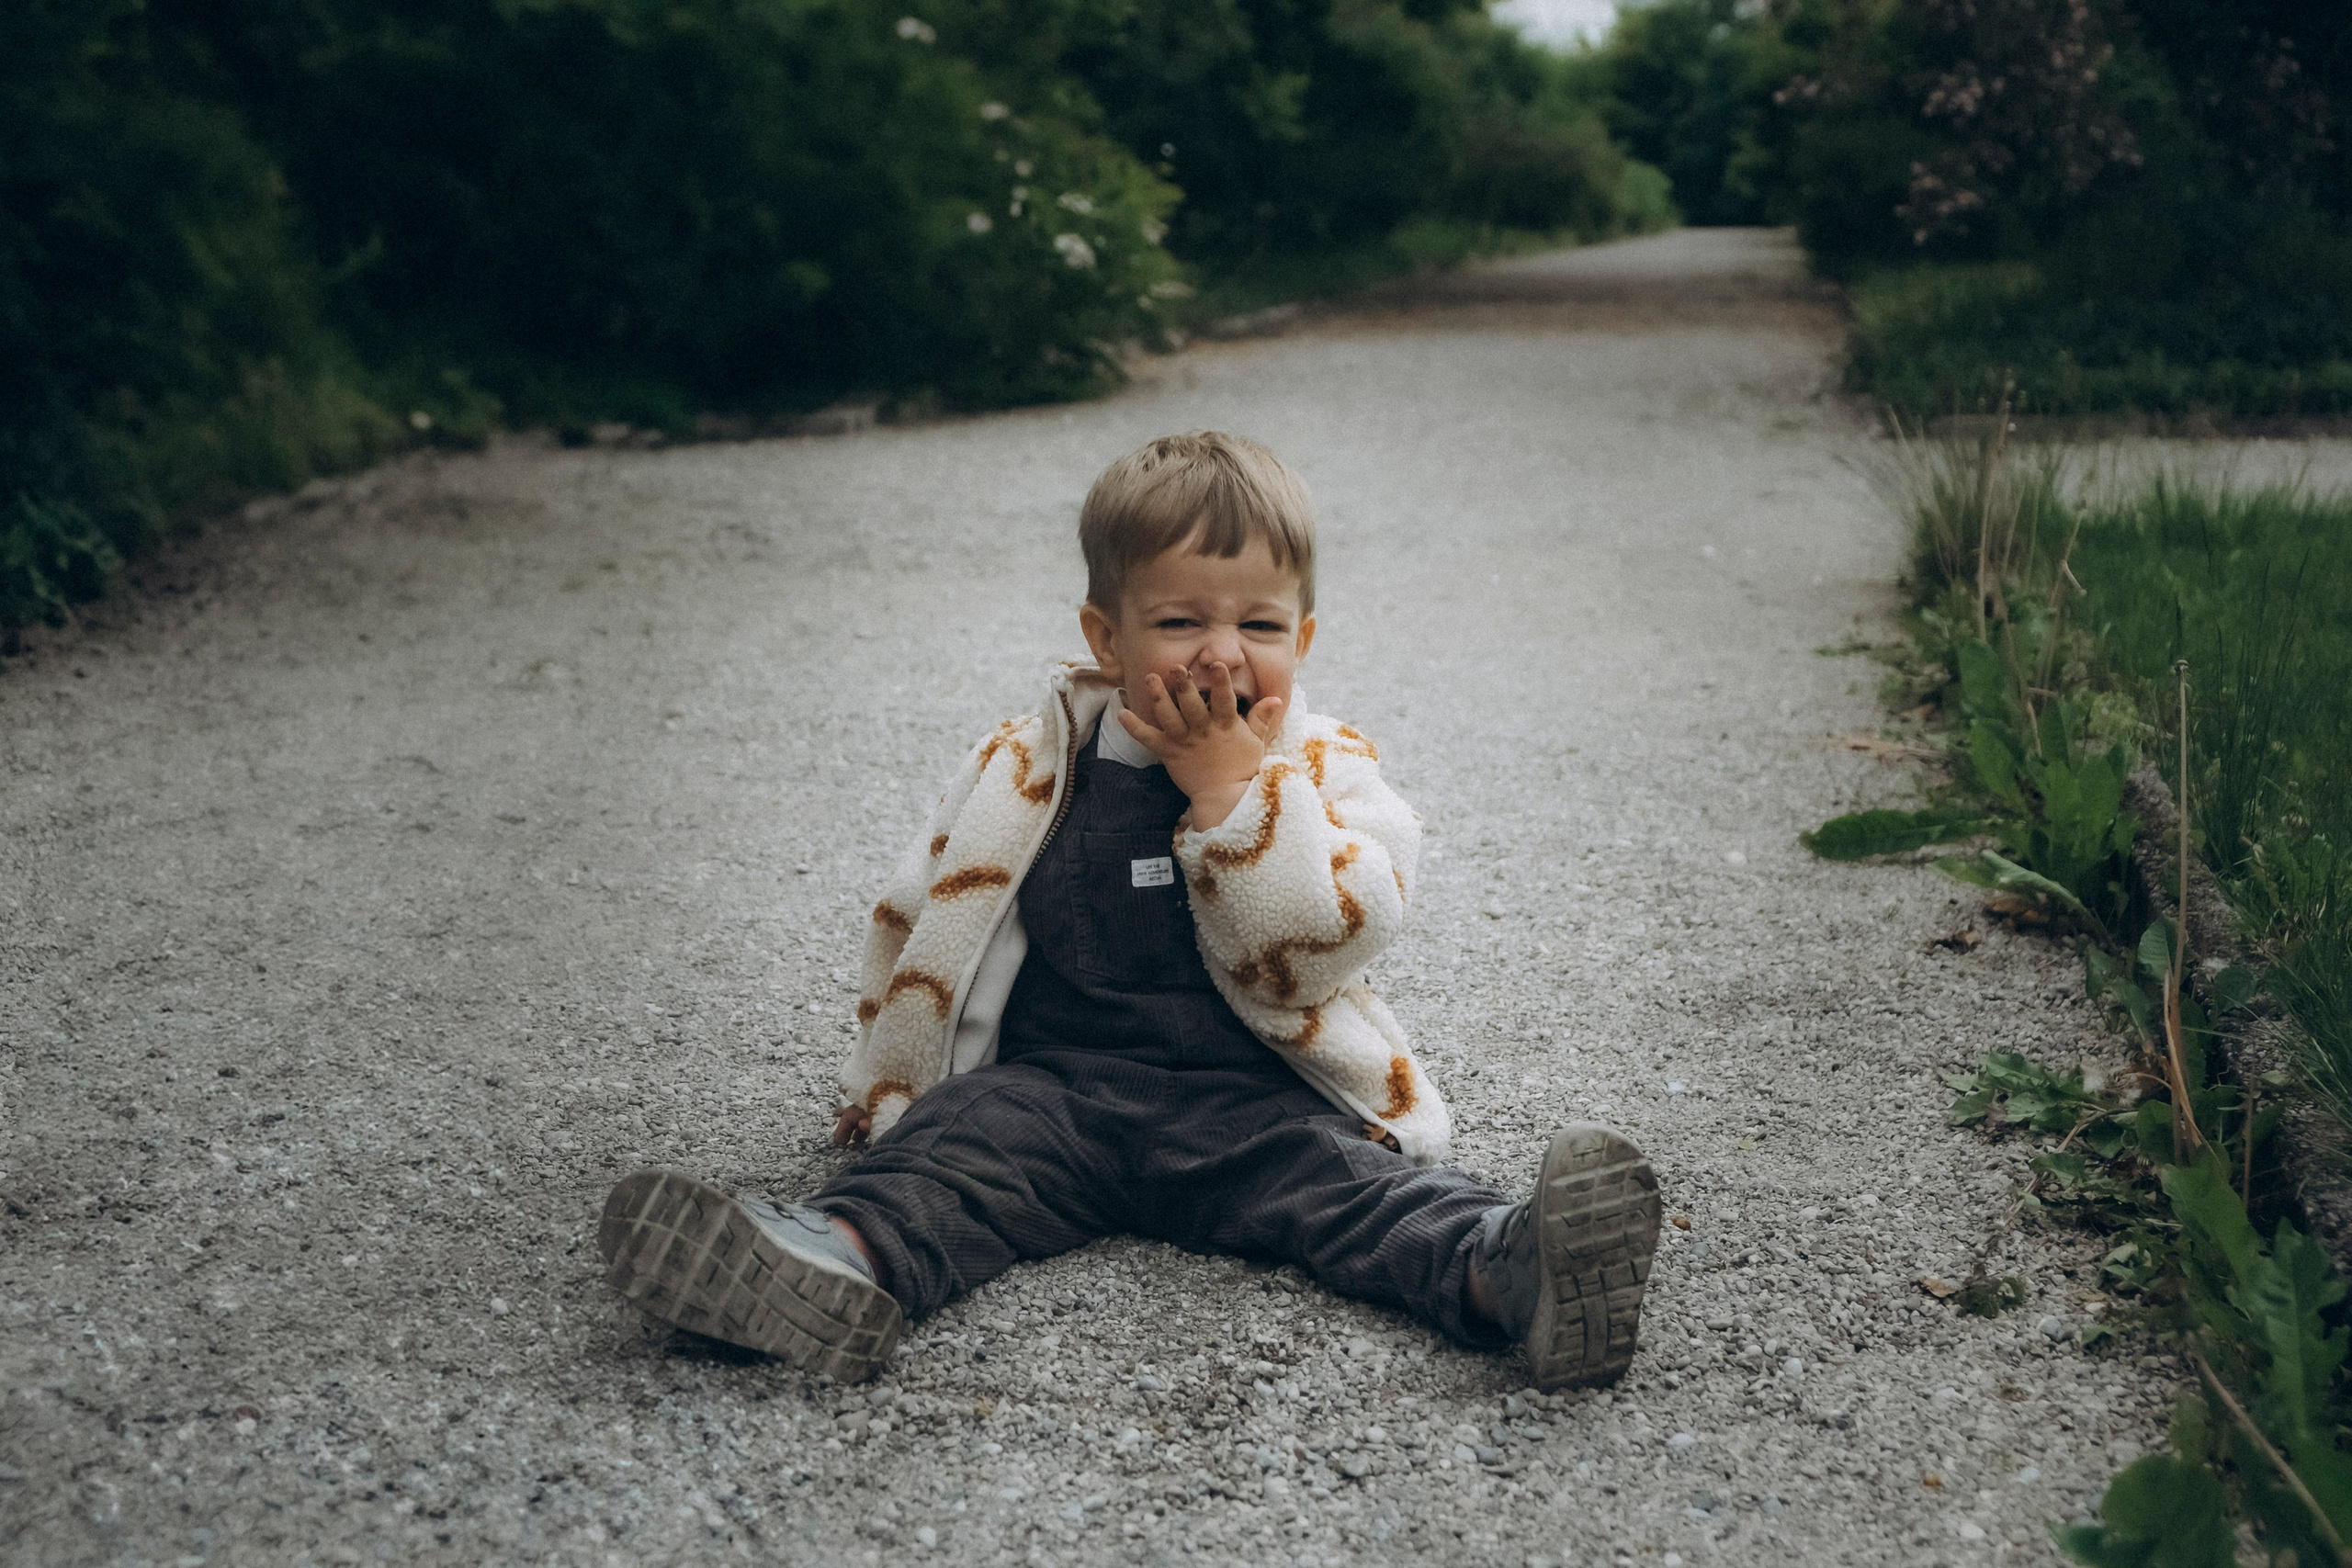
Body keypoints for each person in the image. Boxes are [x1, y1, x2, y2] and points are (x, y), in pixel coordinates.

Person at [596, 431, 1660, 1389]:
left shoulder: (1325, 767)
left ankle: (1506, 1273)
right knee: (942, 1164)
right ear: (1108, 639)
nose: (1221, 651)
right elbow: (924, 916)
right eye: (1180, 620)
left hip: (1252, 1101)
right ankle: (828, 1263)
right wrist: (885, 1080)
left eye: (1257, 622)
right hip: (1052, 1096)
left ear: (1304, 635)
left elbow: (1340, 933)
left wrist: (1235, 795)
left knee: (1355, 1194)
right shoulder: (1028, 767)